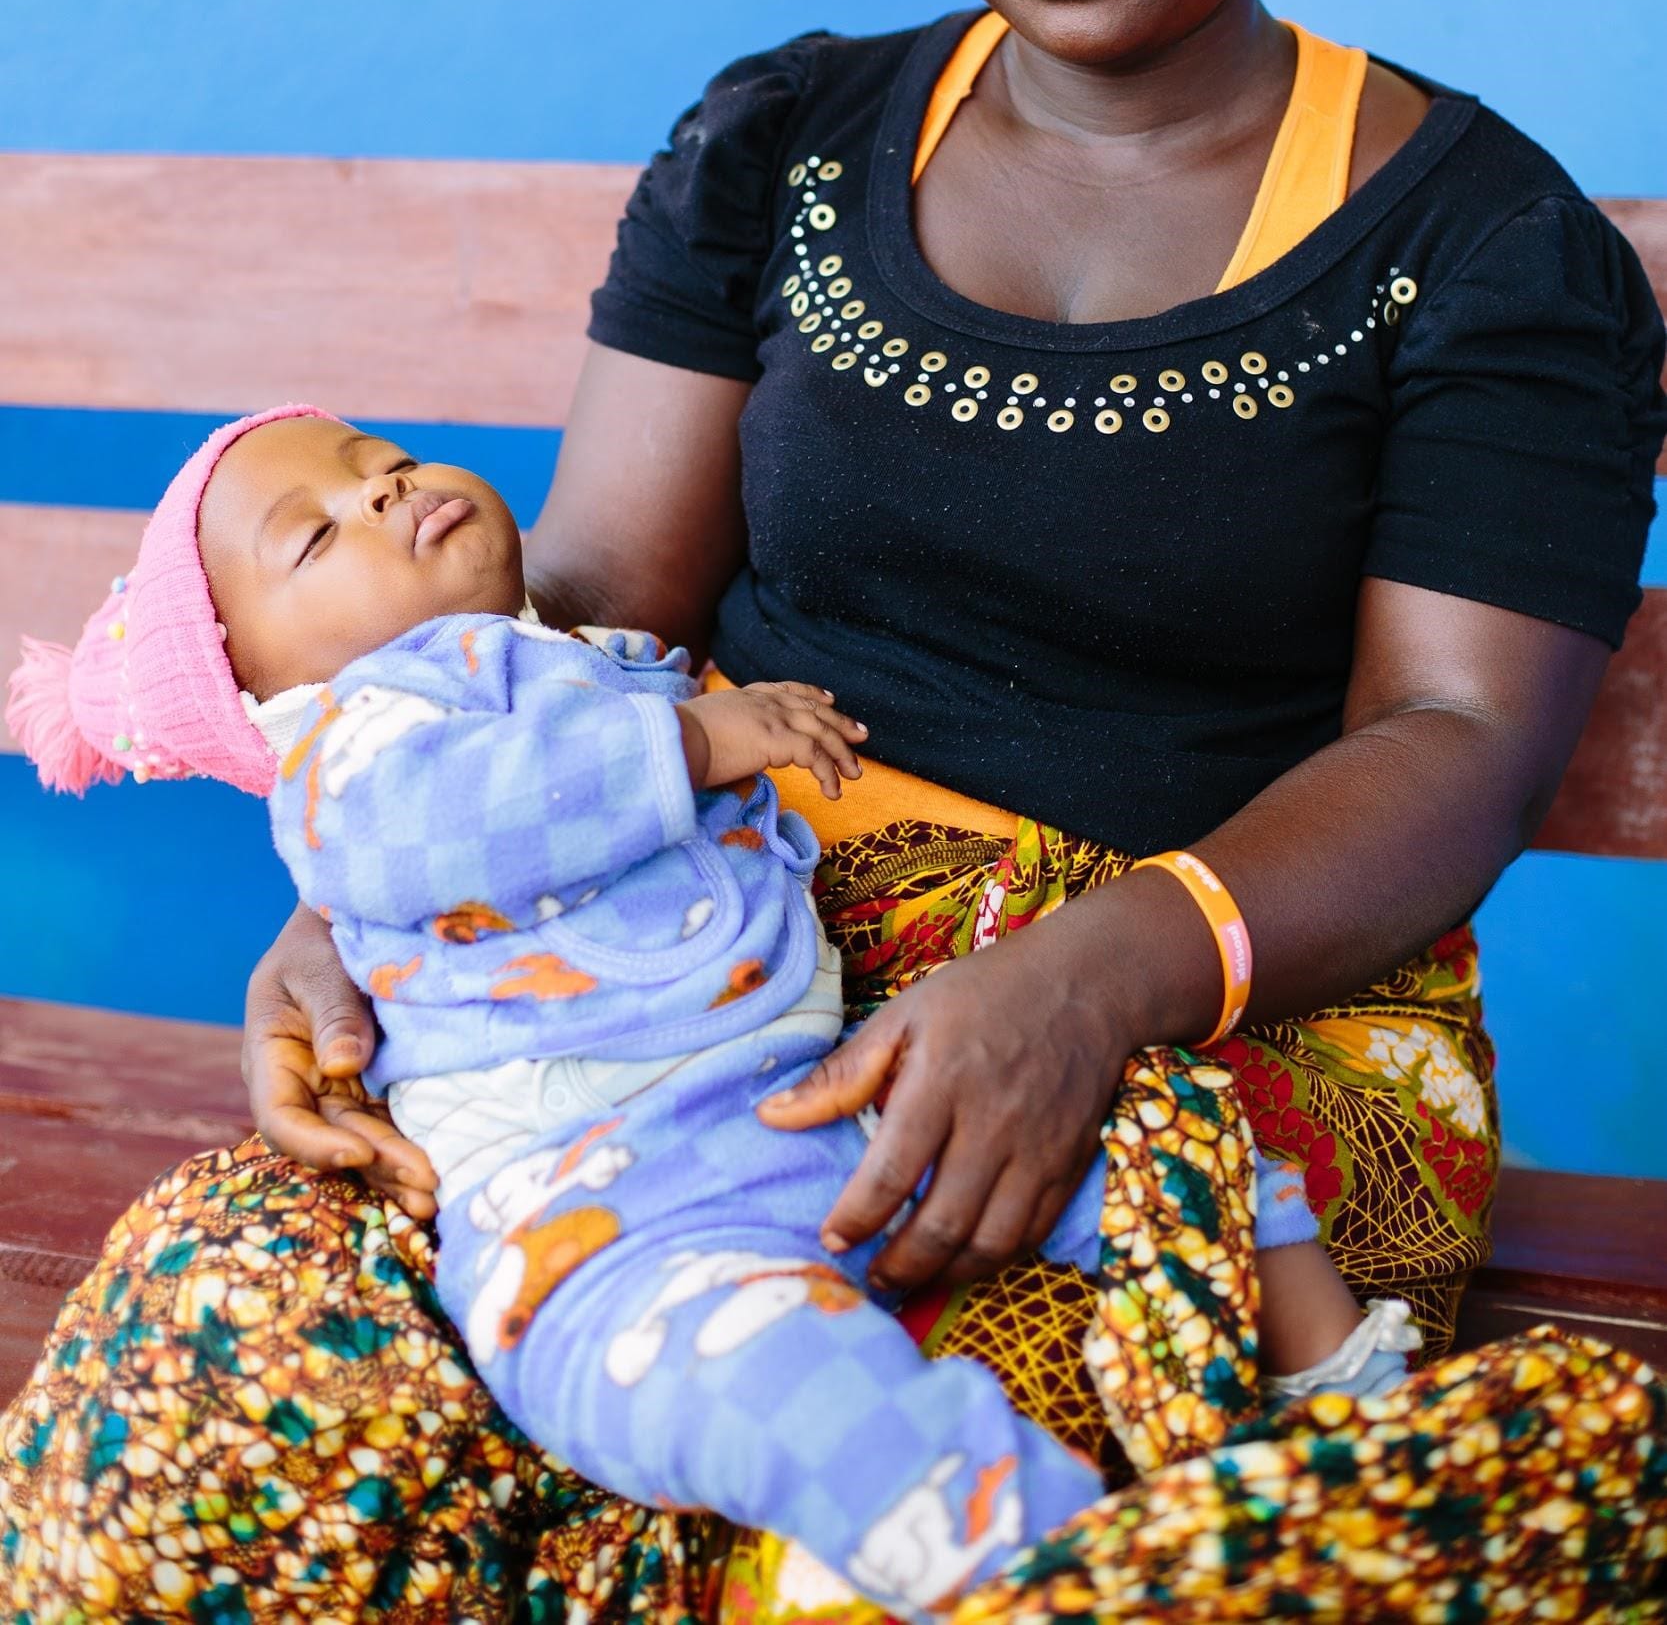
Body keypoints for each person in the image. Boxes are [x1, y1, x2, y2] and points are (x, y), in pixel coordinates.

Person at [3, 0, 1663, 1623]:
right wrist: (391, 909)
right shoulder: (783, 140)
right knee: (229, 1360)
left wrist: (1083, 982)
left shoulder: (1481, 245)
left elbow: (1455, 738)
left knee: (876, 1520)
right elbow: (587, 604)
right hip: (664, 974)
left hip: (1208, 1025)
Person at [9, 405, 1413, 1620]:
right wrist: (687, 738)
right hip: (610, 1226)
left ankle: (1353, 1399)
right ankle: (1043, 1559)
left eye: (380, 460)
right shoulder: (362, 742)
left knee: (1173, 1154)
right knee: (794, 1395)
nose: (377, 491)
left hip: (807, 1107)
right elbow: (424, 830)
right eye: (313, 538)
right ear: (269, 697)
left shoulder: (557, 658)